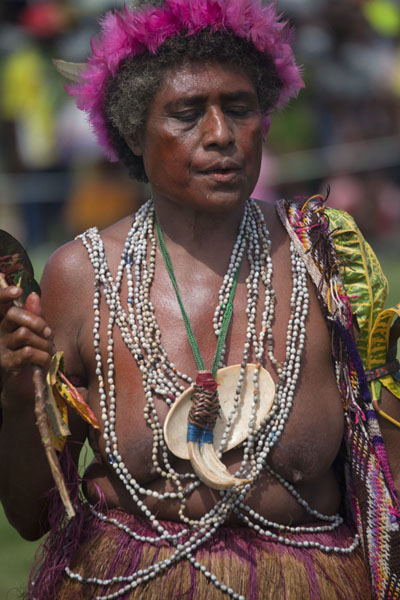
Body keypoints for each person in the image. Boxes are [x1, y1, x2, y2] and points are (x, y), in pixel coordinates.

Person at [0, 1, 399, 599]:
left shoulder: (324, 258)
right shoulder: (81, 276)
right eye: (187, 114)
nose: (220, 134)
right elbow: (32, 515)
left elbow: (389, 478)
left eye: (240, 109)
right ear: (134, 129)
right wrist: (16, 389)